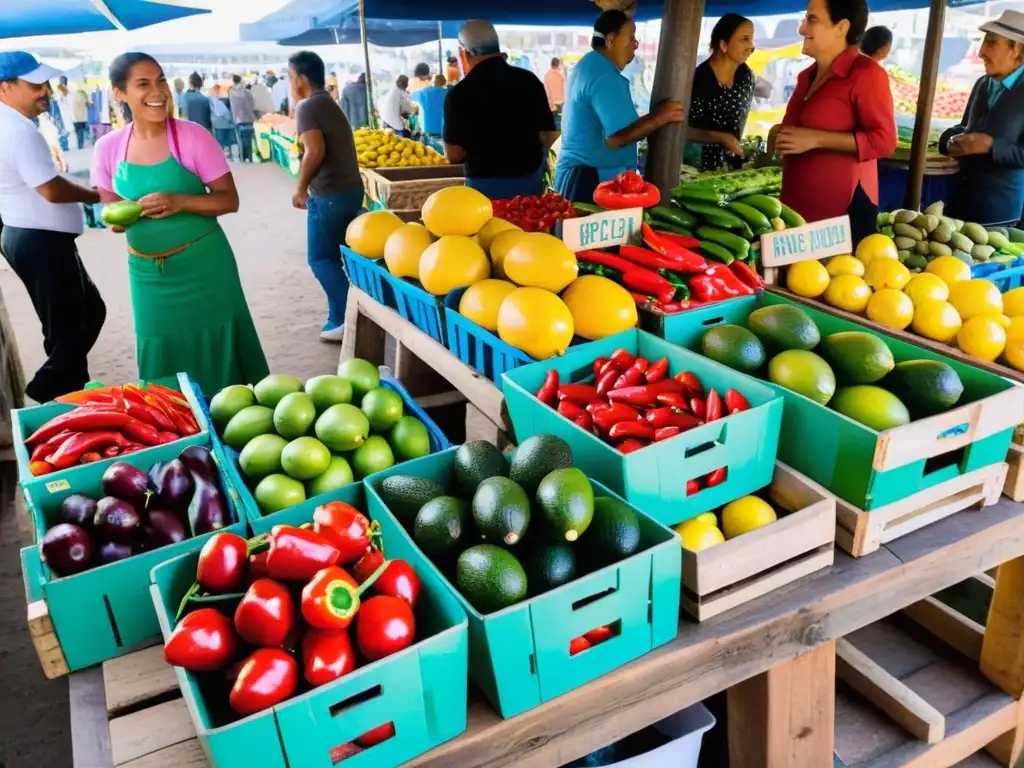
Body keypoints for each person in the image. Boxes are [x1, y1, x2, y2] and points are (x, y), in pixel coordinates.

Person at [91, 53, 267, 393]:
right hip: (148, 276)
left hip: (205, 268)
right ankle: (181, 439)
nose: (158, 91)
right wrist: (126, 215)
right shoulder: (107, 148)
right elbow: (110, 214)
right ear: (119, 93)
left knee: (221, 358)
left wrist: (179, 201)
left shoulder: (192, 137)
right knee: (160, 355)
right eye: (143, 84)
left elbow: (228, 200)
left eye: (160, 80)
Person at [0, 52, 105, 403]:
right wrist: (95, 194)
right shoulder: (15, 130)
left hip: (33, 237)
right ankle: (52, 396)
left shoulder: (14, 124)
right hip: (37, 241)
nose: (45, 91)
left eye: (45, 83)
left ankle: (58, 390)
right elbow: (50, 188)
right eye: (35, 85)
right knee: (69, 332)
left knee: (87, 313)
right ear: (5, 88)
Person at [768, 0, 896, 247]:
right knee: (791, 283)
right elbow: (798, 130)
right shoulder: (807, 75)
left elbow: (884, 140)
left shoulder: (866, 73)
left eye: (812, 20)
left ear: (842, 27)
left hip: (841, 217)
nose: (802, 29)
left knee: (827, 282)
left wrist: (816, 139)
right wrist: (779, 133)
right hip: (796, 212)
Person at [554, 11, 684, 203]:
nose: (636, 44)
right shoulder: (605, 76)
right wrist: (661, 116)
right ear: (611, 39)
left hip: (578, 176)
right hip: (590, 181)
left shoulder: (589, 64)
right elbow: (616, 138)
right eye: (631, 37)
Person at [288, 50, 364, 343]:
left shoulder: (308, 106)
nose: (289, 82)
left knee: (320, 258)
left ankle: (347, 318)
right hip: (348, 190)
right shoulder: (325, 103)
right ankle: (342, 316)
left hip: (330, 194)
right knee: (334, 258)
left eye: (290, 76)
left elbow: (315, 151)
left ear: (301, 78)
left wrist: (299, 187)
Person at [444, 19, 558, 199]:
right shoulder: (529, 82)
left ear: (464, 53)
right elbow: (549, 138)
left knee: (490, 228)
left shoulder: (459, 94)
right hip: (529, 186)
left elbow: (454, 154)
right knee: (529, 227)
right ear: (497, 49)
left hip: (483, 189)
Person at [940, 10, 1024, 227]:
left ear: (1016, 49)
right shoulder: (982, 84)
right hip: (961, 203)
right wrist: (950, 140)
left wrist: (991, 146)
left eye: (991, 43)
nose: (981, 52)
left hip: (1000, 211)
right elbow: (964, 127)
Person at [686, 14, 757, 172]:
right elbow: (678, 130)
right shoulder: (696, 79)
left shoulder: (746, 77)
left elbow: (738, 127)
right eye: (744, 39)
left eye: (752, 39)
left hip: (730, 171)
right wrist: (719, 137)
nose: (752, 46)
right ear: (723, 45)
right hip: (692, 170)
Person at [413, 74, 447, 149]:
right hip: (442, 130)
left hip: (427, 130)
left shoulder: (424, 92)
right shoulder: (447, 93)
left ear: (433, 82)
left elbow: (410, 96)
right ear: (444, 83)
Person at [228, 74, 256, 162]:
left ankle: (243, 158)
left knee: (240, 139)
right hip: (250, 118)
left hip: (238, 119)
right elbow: (252, 105)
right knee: (250, 139)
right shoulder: (247, 92)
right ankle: (250, 156)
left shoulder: (231, 92)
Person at [209, 86, 237, 160]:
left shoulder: (213, 100)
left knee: (222, 141)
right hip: (223, 123)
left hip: (219, 123)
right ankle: (228, 154)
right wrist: (230, 119)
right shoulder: (214, 100)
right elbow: (222, 112)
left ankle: (224, 155)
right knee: (227, 141)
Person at [545, 57, 565, 131]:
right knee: (559, 122)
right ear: (558, 65)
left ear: (551, 64)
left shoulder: (547, 75)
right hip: (559, 103)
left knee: (552, 123)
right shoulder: (561, 74)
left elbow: (546, 90)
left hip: (551, 104)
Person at [71, 83, 90, 149]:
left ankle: (79, 144)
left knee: (78, 132)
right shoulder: (84, 96)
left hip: (75, 117)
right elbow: (88, 104)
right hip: (82, 118)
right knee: (81, 132)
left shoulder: (73, 96)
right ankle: (80, 144)